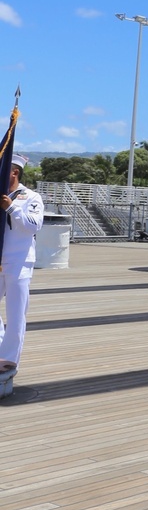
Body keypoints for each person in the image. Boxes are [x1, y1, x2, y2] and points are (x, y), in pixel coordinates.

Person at [0, 153, 44, 396]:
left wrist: (12, 207)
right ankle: (0, 345)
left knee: (16, 313)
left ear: (14, 172)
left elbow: (33, 225)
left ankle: (8, 358)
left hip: (19, 261)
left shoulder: (31, 197)